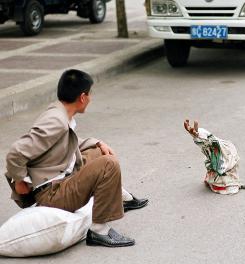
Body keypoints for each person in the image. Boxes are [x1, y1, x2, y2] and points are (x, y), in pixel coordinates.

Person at [5, 69, 148, 248]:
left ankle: (119, 197)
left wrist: (97, 142)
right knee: (108, 164)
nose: (90, 99)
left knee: (98, 152)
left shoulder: (59, 112)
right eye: (89, 94)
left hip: (58, 181)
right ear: (82, 97)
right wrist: (19, 180)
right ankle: (99, 230)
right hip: (52, 194)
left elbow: (66, 142)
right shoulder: (55, 121)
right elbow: (15, 153)